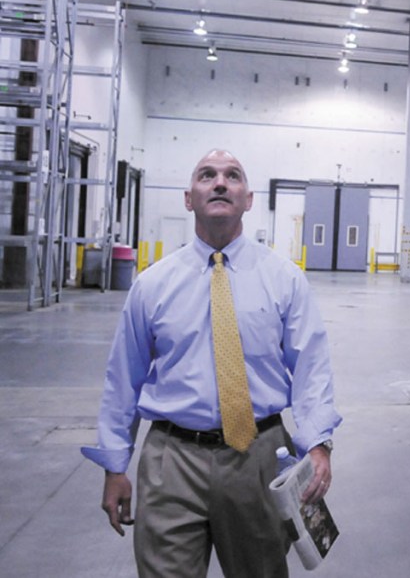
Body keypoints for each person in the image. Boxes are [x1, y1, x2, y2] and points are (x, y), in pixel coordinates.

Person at [81, 149, 341, 578]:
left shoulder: (284, 279)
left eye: (232, 175)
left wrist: (317, 444)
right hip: (171, 460)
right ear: (188, 198)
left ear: (248, 199)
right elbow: (122, 380)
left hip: (258, 456)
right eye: (207, 175)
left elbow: (311, 368)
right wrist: (115, 466)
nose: (220, 183)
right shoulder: (153, 285)